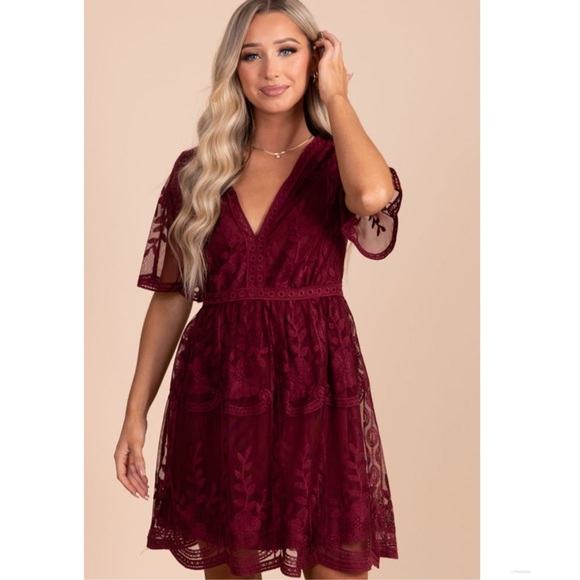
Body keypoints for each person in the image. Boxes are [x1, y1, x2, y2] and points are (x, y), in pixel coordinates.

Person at [114, 0, 403, 578]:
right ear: (234, 69)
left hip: (317, 388)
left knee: (336, 560)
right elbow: (171, 297)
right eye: (252, 55)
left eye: (287, 51)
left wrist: (337, 97)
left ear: (315, 61)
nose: (271, 70)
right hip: (223, 388)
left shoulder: (336, 162)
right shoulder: (198, 171)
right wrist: (134, 414)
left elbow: (374, 198)